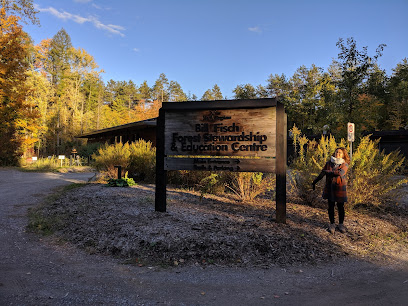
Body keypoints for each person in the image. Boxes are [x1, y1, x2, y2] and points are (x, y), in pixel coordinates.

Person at [312, 147, 350, 234]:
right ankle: (332, 224)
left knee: (341, 206)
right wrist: (314, 182)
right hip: (330, 186)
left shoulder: (345, 164)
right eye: (336, 152)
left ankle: (341, 224)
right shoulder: (329, 163)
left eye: (340, 153)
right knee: (331, 206)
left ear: (343, 155)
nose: (338, 154)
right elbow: (322, 173)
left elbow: (340, 173)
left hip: (340, 187)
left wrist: (327, 172)